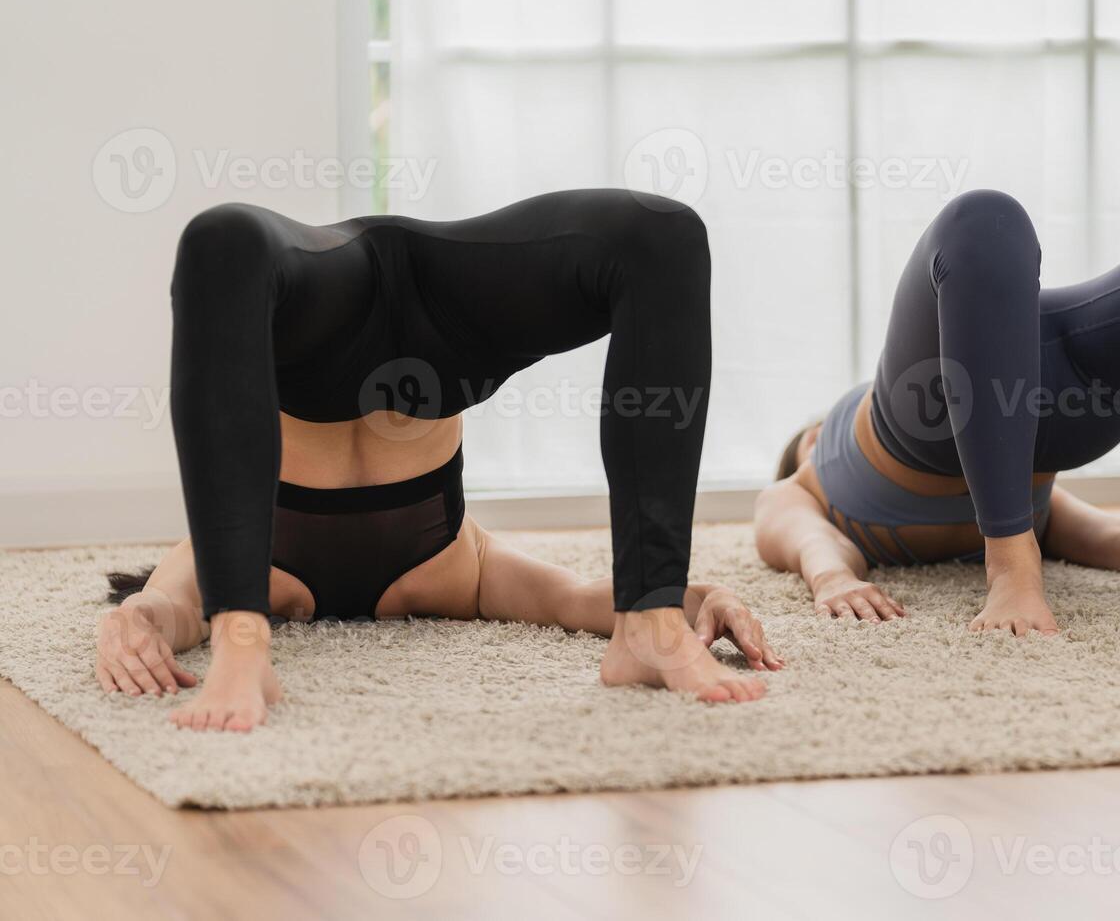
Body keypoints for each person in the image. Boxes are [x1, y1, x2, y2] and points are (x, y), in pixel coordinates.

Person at [97, 190, 779, 733]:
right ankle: (649, 622)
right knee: (663, 230)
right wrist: (688, 598)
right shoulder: (463, 570)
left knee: (224, 240)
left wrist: (134, 622)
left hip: (324, 321)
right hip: (447, 339)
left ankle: (240, 641)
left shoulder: (223, 558)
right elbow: (571, 598)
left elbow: (158, 611)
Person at [755, 187, 1120, 633]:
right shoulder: (800, 491)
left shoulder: (838, 456)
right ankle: (1013, 567)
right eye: (810, 431)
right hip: (1067, 410)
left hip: (950, 383)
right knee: (986, 220)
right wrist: (834, 579)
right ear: (808, 448)